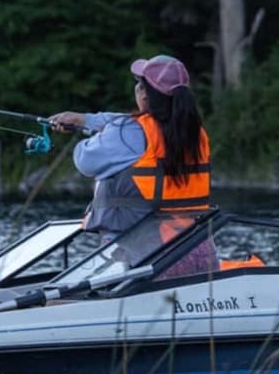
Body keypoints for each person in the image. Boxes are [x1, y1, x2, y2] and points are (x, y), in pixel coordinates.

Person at [48, 55, 214, 277]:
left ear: (144, 95)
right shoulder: (194, 131)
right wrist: (86, 120)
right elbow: (132, 124)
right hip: (198, 253)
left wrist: (90, 134)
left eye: (139, 83)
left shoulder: (127, 132)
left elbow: (85, 161)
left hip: (147, 261)